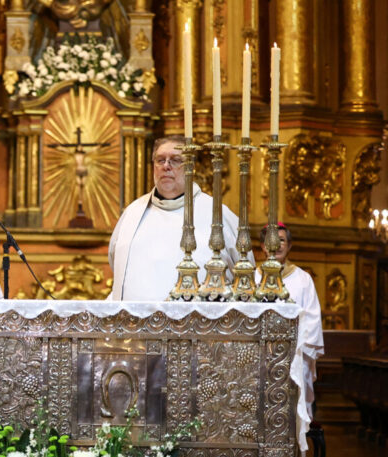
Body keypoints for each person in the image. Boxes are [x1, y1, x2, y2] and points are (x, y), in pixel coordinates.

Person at [108, 136, 253, 300]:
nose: (166, 166)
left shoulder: (217, 214)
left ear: (191, 167)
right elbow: (116, 264)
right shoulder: (132, 214)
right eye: (160, 160)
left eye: (175, 160)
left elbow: (245, 270)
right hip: (136, 322)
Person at [260, 222, 325, 419]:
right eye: (272, 241)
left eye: (282, 240)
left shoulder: (303, 279)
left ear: (289, 245)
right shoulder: (252, 277)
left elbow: (312, 318)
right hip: (260, 358)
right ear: (262, 246)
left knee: (291, 415)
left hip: (294, 357)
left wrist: (298, 352)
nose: (277, 245)